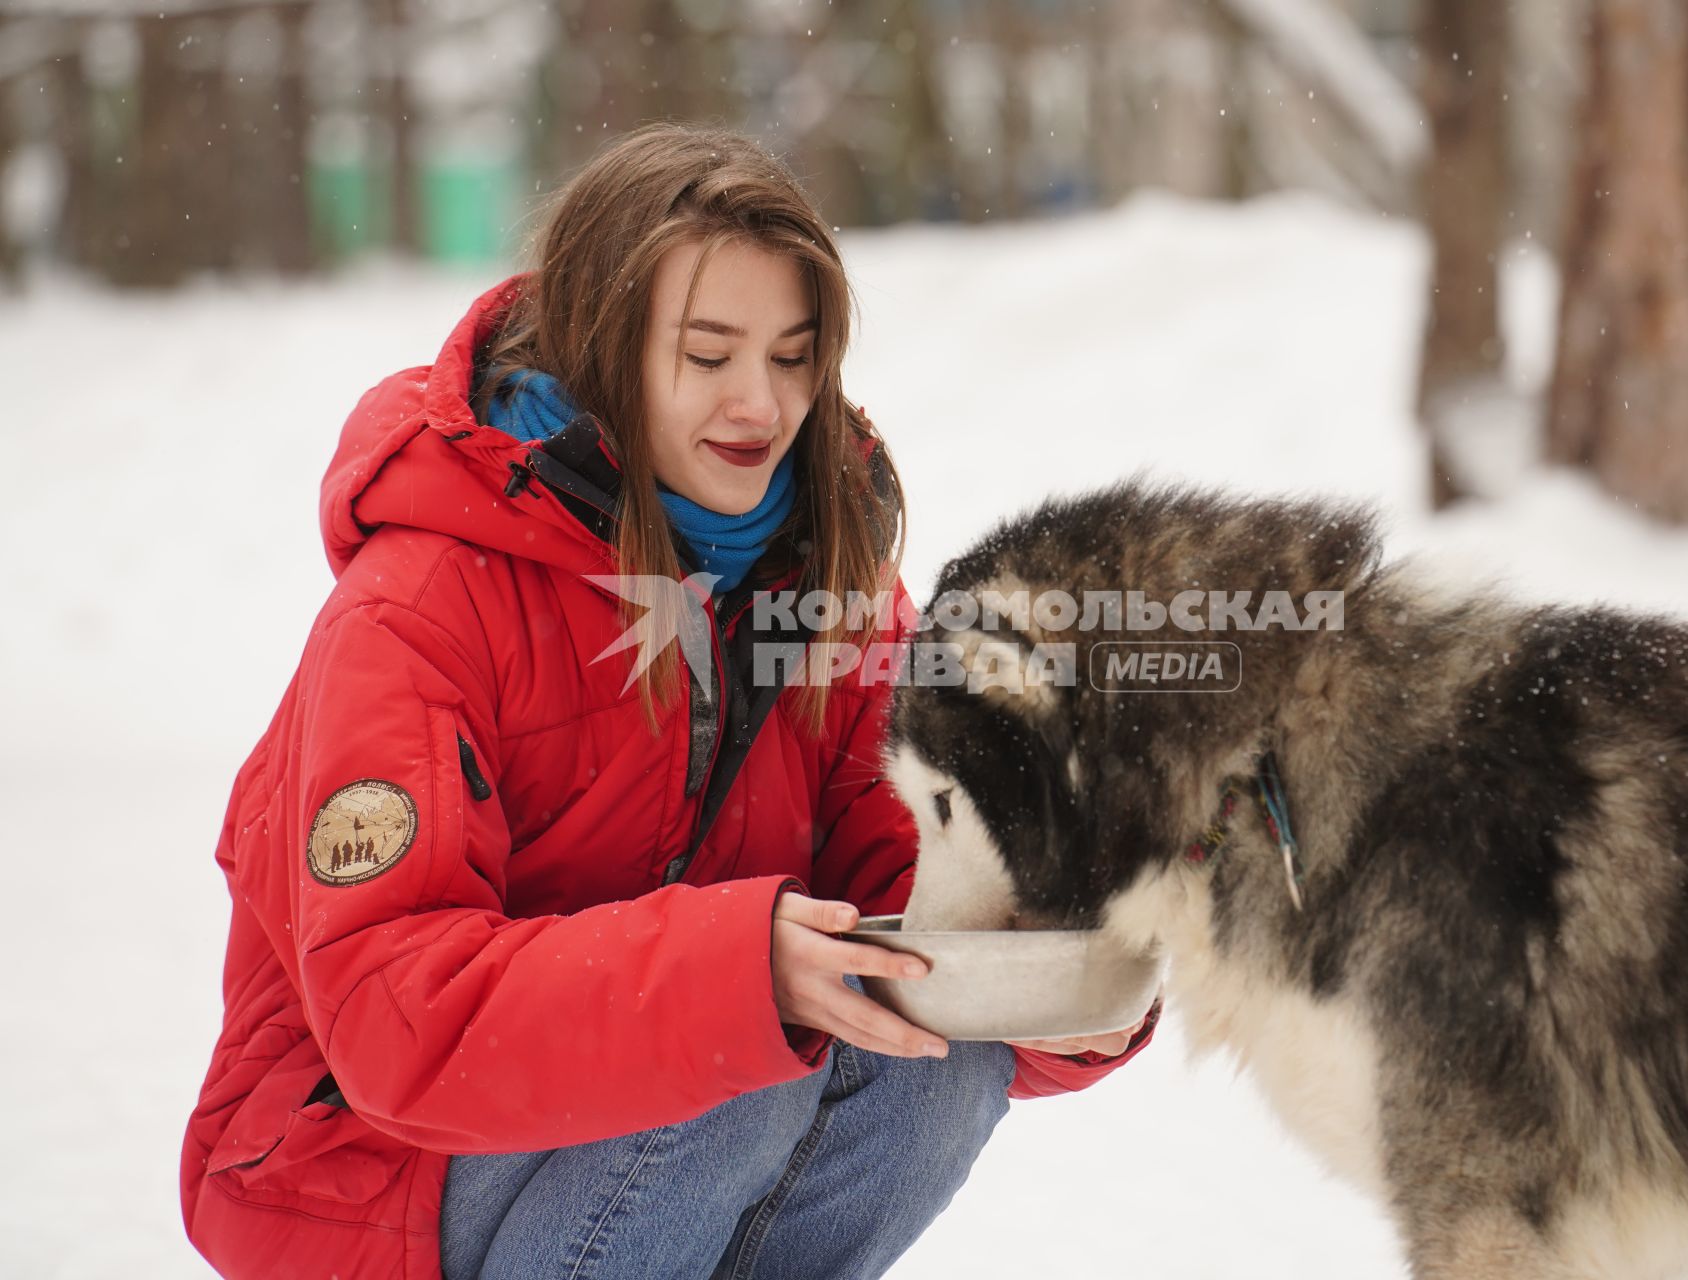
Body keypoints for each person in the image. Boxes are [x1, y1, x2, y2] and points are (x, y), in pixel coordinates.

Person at [179, 122, 1156, 1280]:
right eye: (709, 354)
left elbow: (898, 878)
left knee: (930, 1055)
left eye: (795, 356)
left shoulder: (824, 582)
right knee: (736, 1049)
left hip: (634, 1148)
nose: (764, 402)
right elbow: (393, 1010)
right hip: (367, 1168)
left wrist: (1034, 963)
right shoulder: (419, 608)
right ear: (602, 348)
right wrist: (735, 977)